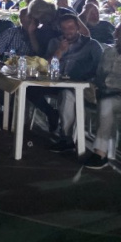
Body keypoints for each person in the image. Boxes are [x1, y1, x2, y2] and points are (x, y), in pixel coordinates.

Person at [39, 14, 103, 153]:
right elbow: (44, 67)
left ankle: (66, 139)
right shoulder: (55, 42)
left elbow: (101, 69)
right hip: (55, 82)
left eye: (71, 27)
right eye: (64, 28)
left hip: (80, 86)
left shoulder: (91, 45)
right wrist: (60, 51)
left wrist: (87, 80)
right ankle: (51, 113)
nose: (68, 31)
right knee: (29, 89)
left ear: (78, 28)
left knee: (67, 94)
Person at [84, 23, 121, 169]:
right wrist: (94, 85)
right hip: (104, 92)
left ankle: (100, 153)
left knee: (106, 104)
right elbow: (99, 73)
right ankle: (68, 138)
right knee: (76, 93)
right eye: (119, 32)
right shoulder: (108, 52)